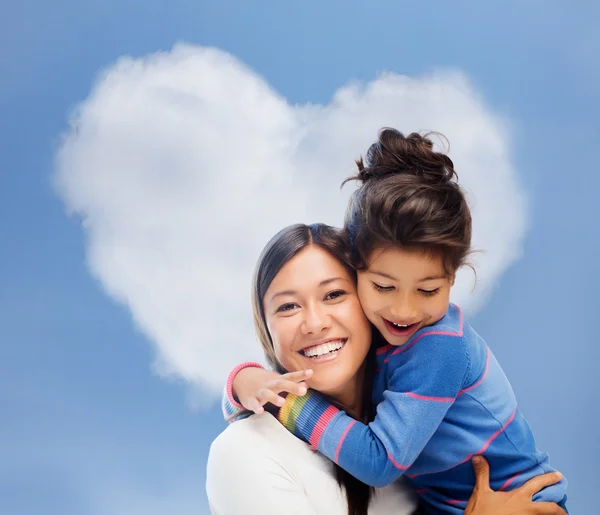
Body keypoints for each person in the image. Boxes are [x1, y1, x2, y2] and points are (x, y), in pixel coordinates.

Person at [225, 129, 568, 514]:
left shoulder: (439, 347)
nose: (404, 311)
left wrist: (285, 403)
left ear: (452, 280)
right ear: (358, 270)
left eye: (428, 291)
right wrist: (244, 381)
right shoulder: (378, 334)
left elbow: (378, 462)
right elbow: (256, 395)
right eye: (384, 286)